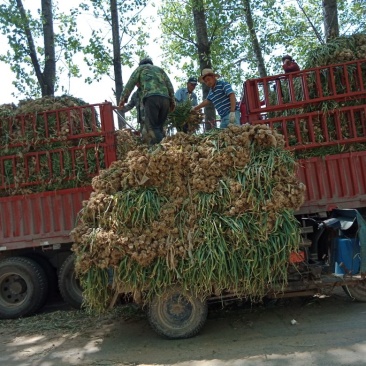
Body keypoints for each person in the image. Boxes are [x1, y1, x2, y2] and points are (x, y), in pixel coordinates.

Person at [118, 57, 175, 145]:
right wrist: (172, 102)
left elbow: (130, 83)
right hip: (165, 98)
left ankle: (166, 148)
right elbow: (170, 85)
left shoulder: (140, 69)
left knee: (152, 128)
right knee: (159, 127)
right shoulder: (160, 70)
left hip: (151, 98)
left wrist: (122, 100)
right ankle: (160, 150)